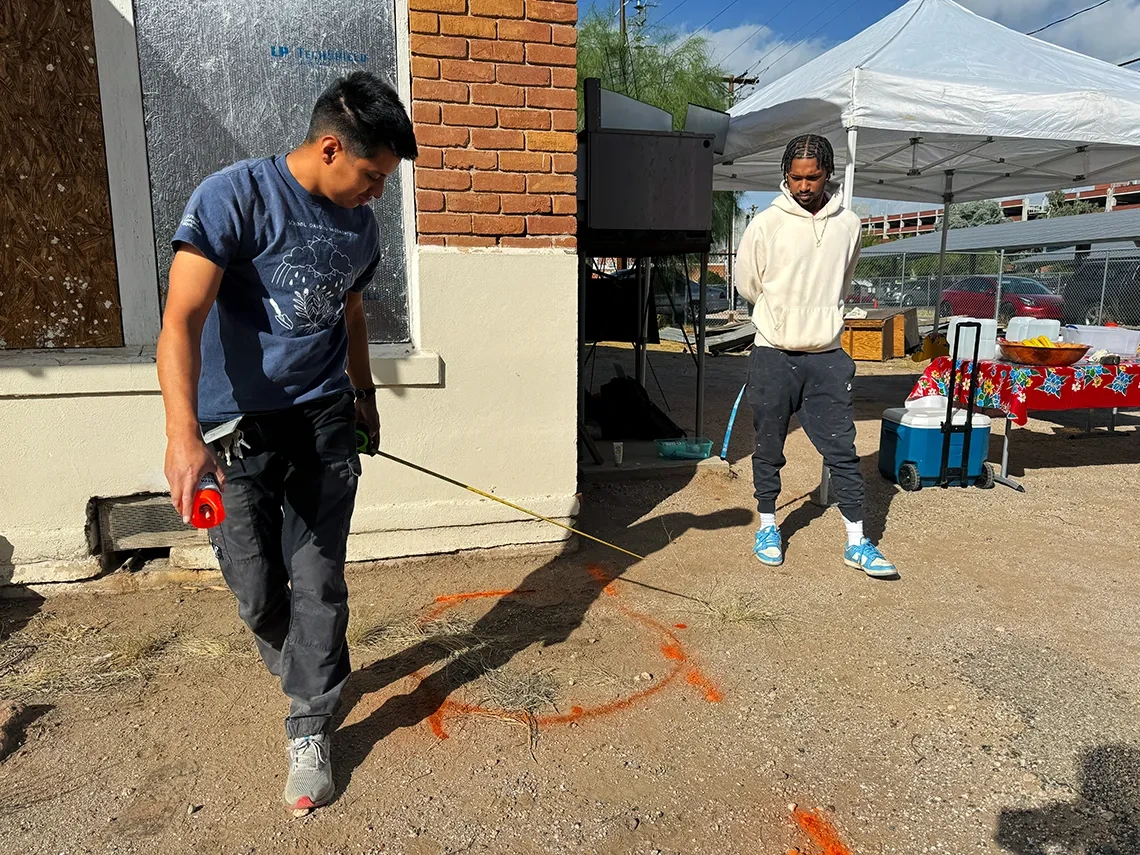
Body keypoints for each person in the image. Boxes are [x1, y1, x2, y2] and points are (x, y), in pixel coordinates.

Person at [156, 71, 418, 812]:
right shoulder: (232, 197)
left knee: (319, 575)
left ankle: (309, 720)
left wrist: (365, 397)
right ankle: (312, 664)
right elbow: (180, 320)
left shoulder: (360, 227)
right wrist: (182, 437)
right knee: (254, 587)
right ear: (330, 147)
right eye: (371, 177)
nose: (376, 195)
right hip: (233, 434)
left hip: (325, 419)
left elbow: (354, 316)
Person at [734, 134, 897, 579]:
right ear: (785, 177)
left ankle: (857, 542)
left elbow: (843, 279)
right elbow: (748, 284)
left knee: (842, 450)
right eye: (795, 178)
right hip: (773, 353)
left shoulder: (849, 224)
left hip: (826, 356)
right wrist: (783, 315)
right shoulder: (766, 223)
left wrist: (818, 315)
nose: (803, 186)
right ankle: (767, 525)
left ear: (828, 175)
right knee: (768, 446)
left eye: (812, 177)